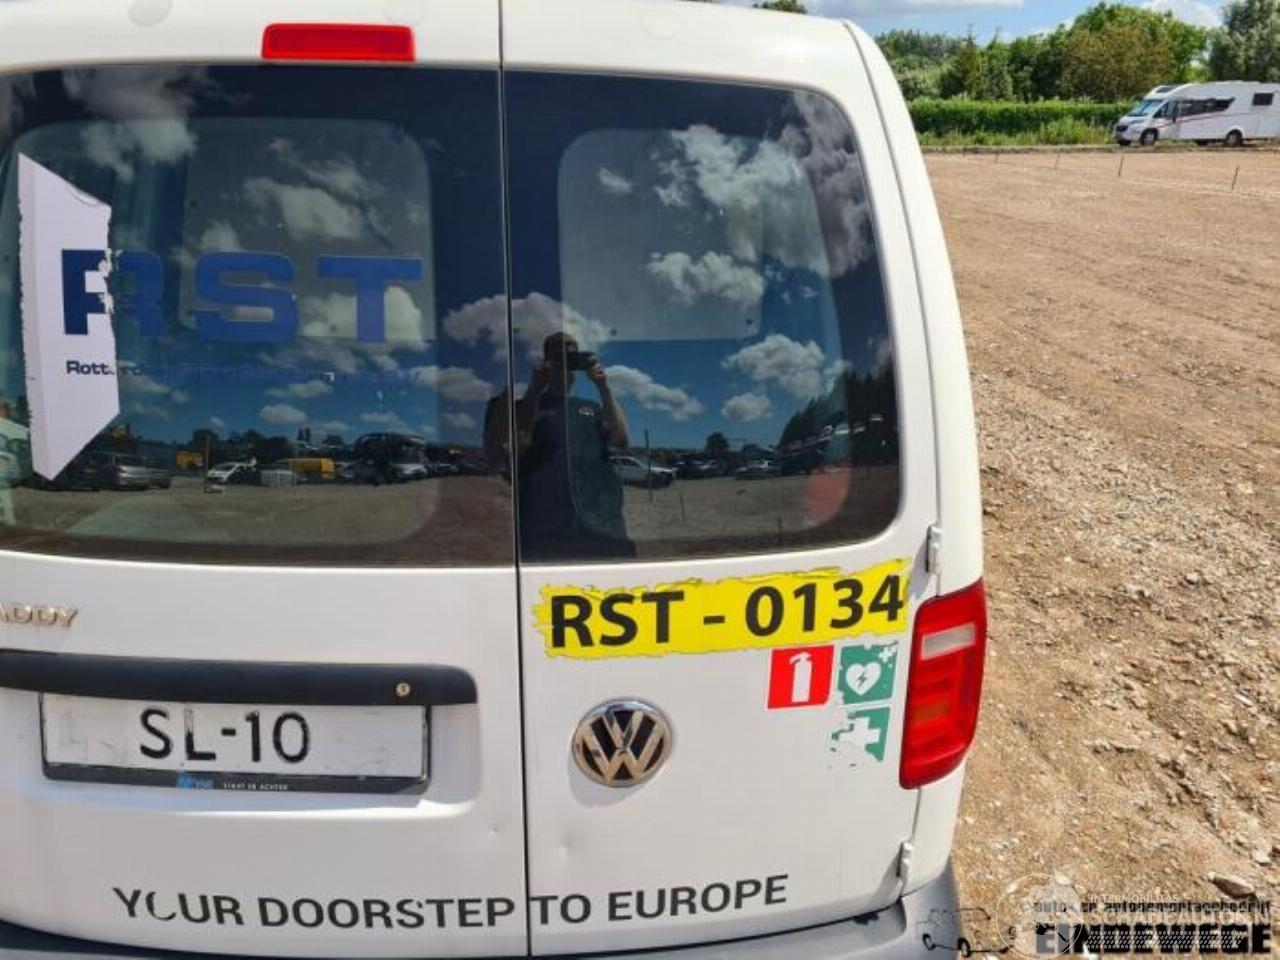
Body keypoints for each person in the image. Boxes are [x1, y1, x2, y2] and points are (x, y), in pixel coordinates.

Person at [485, 332, 633, 560]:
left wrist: (603, 387)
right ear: (546, 362)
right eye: (558, 358)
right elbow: (515, 447)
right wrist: (535, 389)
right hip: (543, 531)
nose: (565, 366)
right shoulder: (525, 407)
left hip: (600, 527)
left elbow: (621, 440)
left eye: (571, 358)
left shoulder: (591, 407)